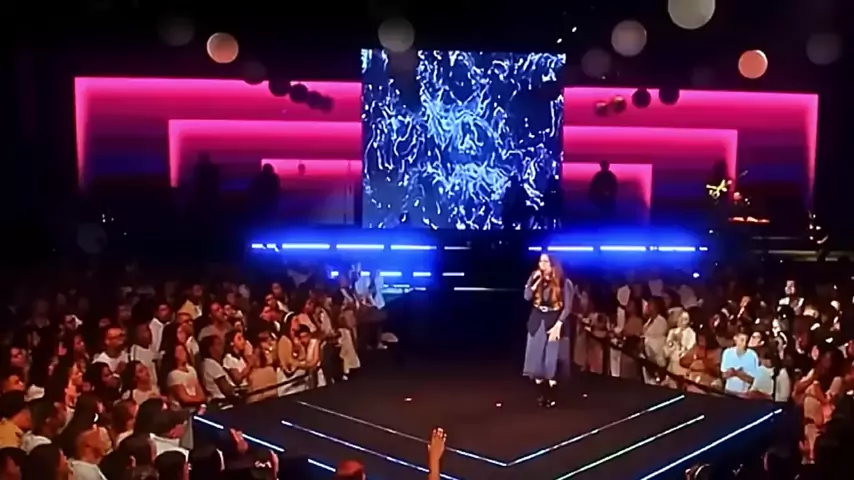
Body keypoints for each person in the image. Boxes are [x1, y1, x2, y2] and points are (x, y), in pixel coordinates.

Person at [523, 254, 574, 408]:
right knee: (536, 361)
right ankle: (542, 394)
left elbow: (568, 307)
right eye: (541, 261)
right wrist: (532, 282)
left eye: (546, 261)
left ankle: (552, 395)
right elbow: (527, 297)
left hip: (554, 320)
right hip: (537, 319)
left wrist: (559, 325)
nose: (542, 264)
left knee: (551, 361)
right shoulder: (536, 278)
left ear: (553, 264)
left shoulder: (564, 282)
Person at [720, 327, 760, 395]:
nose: (744, 344)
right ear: (735, 338)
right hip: (728, 392)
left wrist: (737, 373)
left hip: (744, 395)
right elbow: (723, 375)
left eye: (746, 341)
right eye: (742, 340)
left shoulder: (752, 355)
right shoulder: (727, 353)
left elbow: (752, 380)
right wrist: (731, 373)